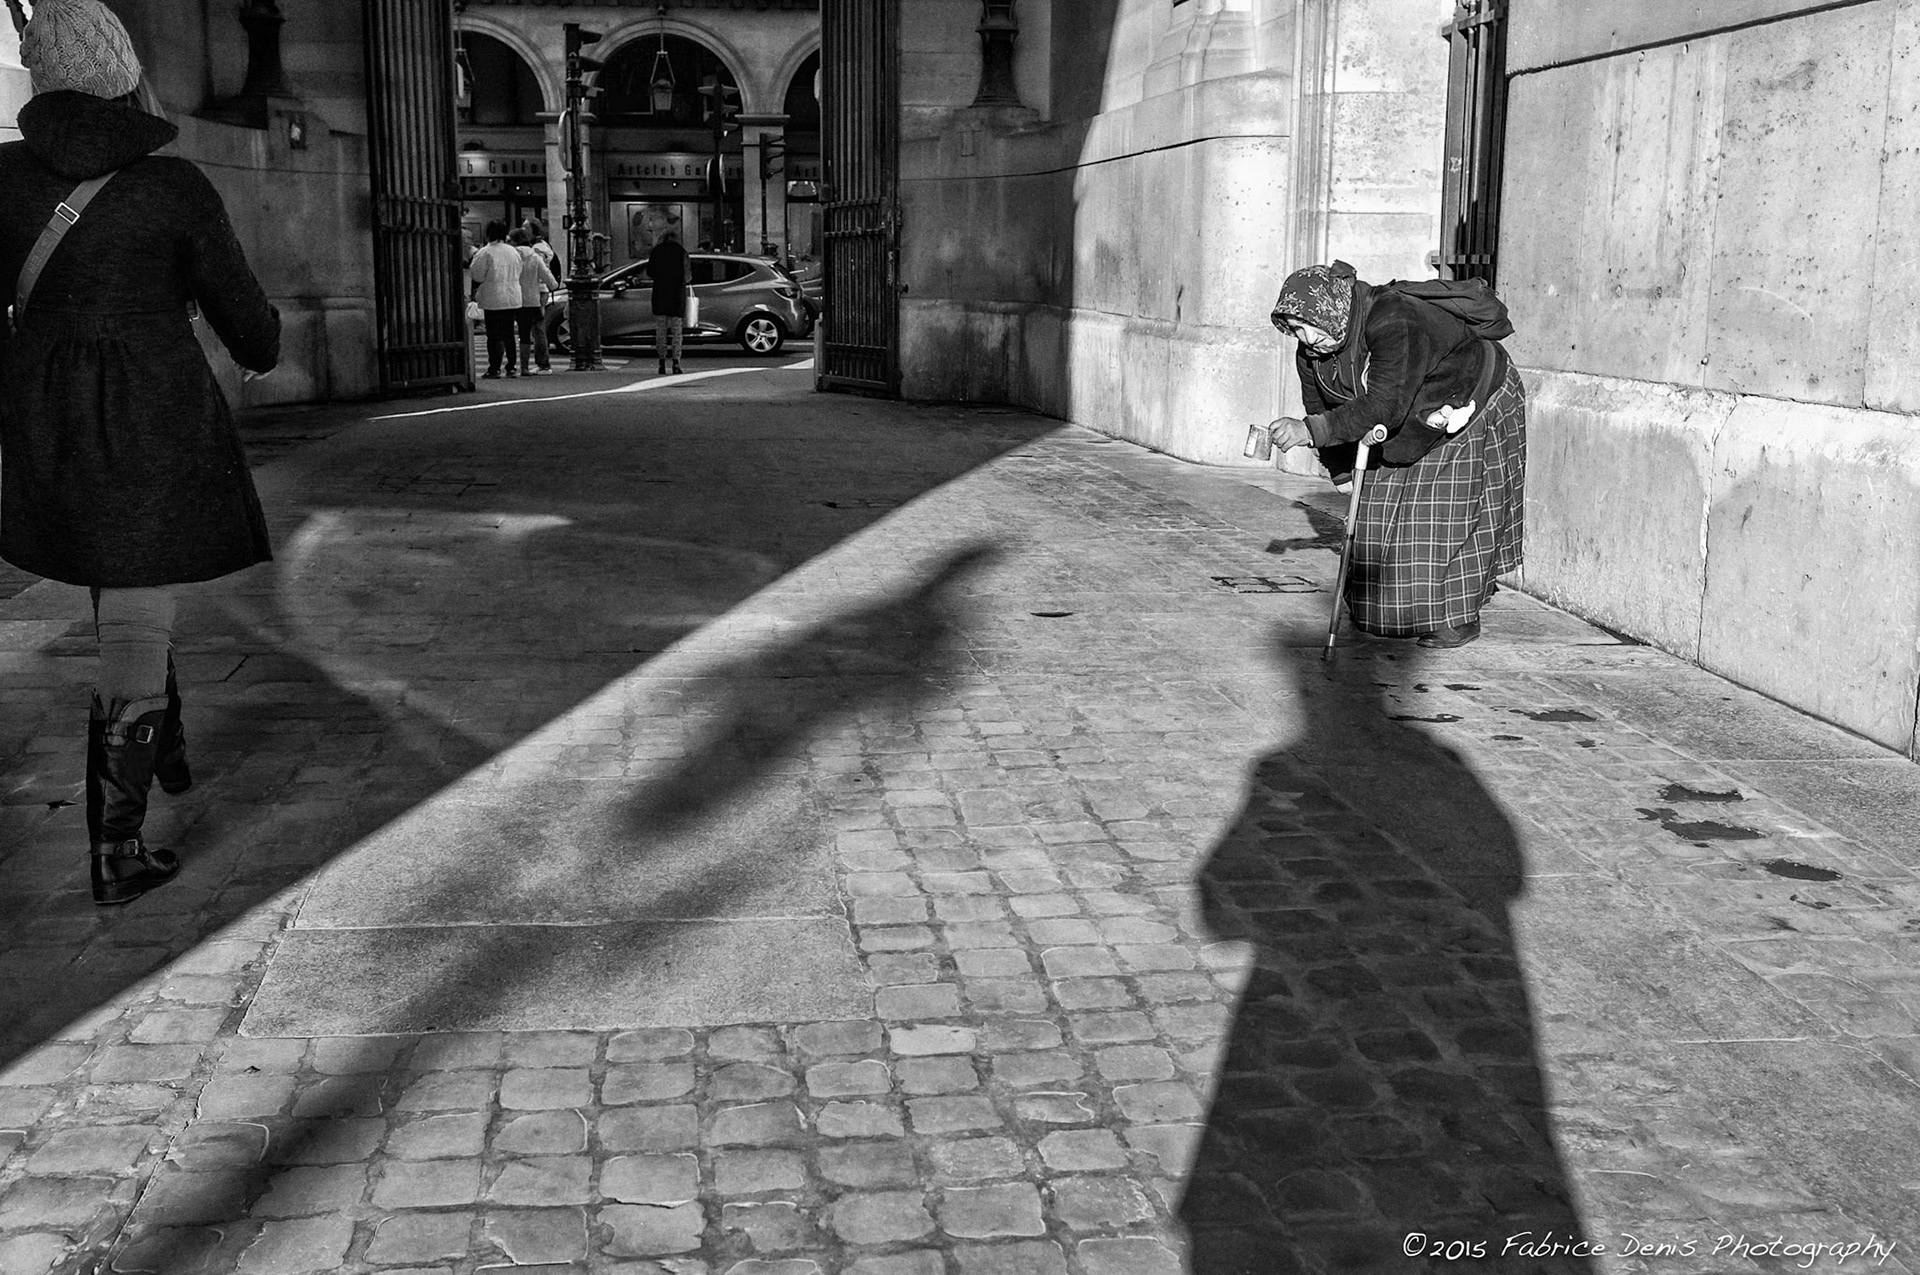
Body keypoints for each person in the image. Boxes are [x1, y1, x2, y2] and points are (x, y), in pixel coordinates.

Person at [0, 0, 281, 904]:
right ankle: (115, 850)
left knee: (112, 571)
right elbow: (251, 326)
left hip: (45, 414)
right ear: (120, 71)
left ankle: (165, 750)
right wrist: (260, 344)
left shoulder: (2, 178)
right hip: (151, 415)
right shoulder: (172, 187)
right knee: (134, 606)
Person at [1256, 260, 1525, 649]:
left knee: (1441, 516)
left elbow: (1384, 405)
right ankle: (1387, 613)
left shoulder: (1392, 319)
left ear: (1329, 307)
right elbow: (1319, 407)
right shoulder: (1312, 350)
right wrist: (1341, 472)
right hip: (1411, 416)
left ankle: (1456, 617)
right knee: (1376, 519)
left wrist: (1309, 433)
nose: (1302, 337)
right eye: (1294, 329)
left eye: (1303, 326)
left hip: (1469, 396)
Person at [468, 219, 522, 379]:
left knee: (494, 335)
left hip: (493, 296)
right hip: (512, 295)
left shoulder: (485, 252)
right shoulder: (513, 251)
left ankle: (494, 367)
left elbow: (476, 274)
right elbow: (519, 270)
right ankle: (511, 367)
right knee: (509, 334)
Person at [509, 226, 557, 376]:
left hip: (513, 297)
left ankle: (513, 366)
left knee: (511, 333)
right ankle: (529, 367)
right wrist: (552, 286)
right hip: (532, 299)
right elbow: (550, 279)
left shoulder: (512, 255)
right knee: (536, 331)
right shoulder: (535, 256)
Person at [522, 217, 563, 372]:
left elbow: (537, 271)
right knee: (537, 326)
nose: (523, 231)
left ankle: (543, 363)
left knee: (538, 327)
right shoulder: (543, 246)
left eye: (526, 228)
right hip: (540, 289)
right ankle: (542, 362)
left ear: (534, 231)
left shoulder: (537, 249)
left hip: (537, 290)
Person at [647, 229, 690, 376]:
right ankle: (676, 363)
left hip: (660, 295)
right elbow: (688, 276)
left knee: (661, 331)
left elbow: (649, 272)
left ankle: (661, 363)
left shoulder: (656, 251)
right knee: (677, 332)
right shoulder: (681, 252)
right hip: (677, 296)